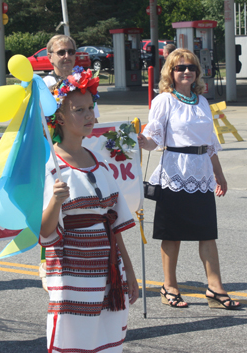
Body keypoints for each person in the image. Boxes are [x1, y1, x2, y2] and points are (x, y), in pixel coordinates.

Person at [40, 66, 138, 352]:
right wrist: (55, 202)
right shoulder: (51, 166)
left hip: (108, 270)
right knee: (74, 340)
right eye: (79, 110)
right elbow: (45, 232)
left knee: (107, 340)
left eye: (90, 108)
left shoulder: (100, 161)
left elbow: (114, 224)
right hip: (73, 273)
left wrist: (128, 272)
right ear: (59, 117)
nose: (88, 116)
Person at [138, 48, 241, 310]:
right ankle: (169, 286)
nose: (186, 71)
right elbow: (154, 138)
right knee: (172, 234)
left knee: (207, 233)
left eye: (191, 67)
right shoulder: (164, 100)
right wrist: (141, 140)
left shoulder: (202, 101)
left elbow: (209, 144)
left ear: (197, 72)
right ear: (170, 73)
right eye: (179, 67)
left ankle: (214, 288)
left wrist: (219, 175)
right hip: (174, 172)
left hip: (201, 173)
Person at [39, 35, 101, 291]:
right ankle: (48, 263)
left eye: (70, 51)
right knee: (53, 208)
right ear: (50, 56)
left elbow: (93, 118)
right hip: (50, 155)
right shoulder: (42, 86)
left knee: (78, 210)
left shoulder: (83, 82)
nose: (66, 56)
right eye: (61, 52)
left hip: (77, 155)